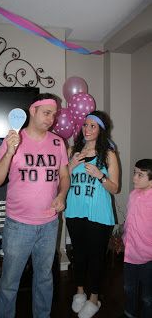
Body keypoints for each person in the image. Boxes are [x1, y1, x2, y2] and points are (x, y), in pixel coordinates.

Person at [0, 93, 70, 318]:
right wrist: (9, 151)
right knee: (9, 282)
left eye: (54, 115)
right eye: (46, 113)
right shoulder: (14, 139)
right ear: (32, 111)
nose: (51, 119)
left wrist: (62, 195)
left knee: (44, 278)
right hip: (18, 225)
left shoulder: (58, 142)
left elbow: (64, 176)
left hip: (49, 224)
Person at [64, 110, 119, 318]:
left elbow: (115, 188)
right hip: (75, 210)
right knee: (79, 255)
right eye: (85, 125)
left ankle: (94, 298)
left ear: (101, 130)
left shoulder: (109, 154)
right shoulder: (71, 150)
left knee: (96, 257)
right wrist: (71, 165)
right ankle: (79, 292)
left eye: (92, 126)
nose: (87, 129)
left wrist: (100, 175)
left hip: (99, 213)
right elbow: (61, 180)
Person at [120, 159, 152, 318]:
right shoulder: (133, 194)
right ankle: (129, 313)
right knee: (129, 288)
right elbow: (130, 221)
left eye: (140, 175)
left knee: (147, 295)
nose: (134, 178)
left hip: (148, 257)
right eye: (134, 173)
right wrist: (125, 238)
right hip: (130, 254)